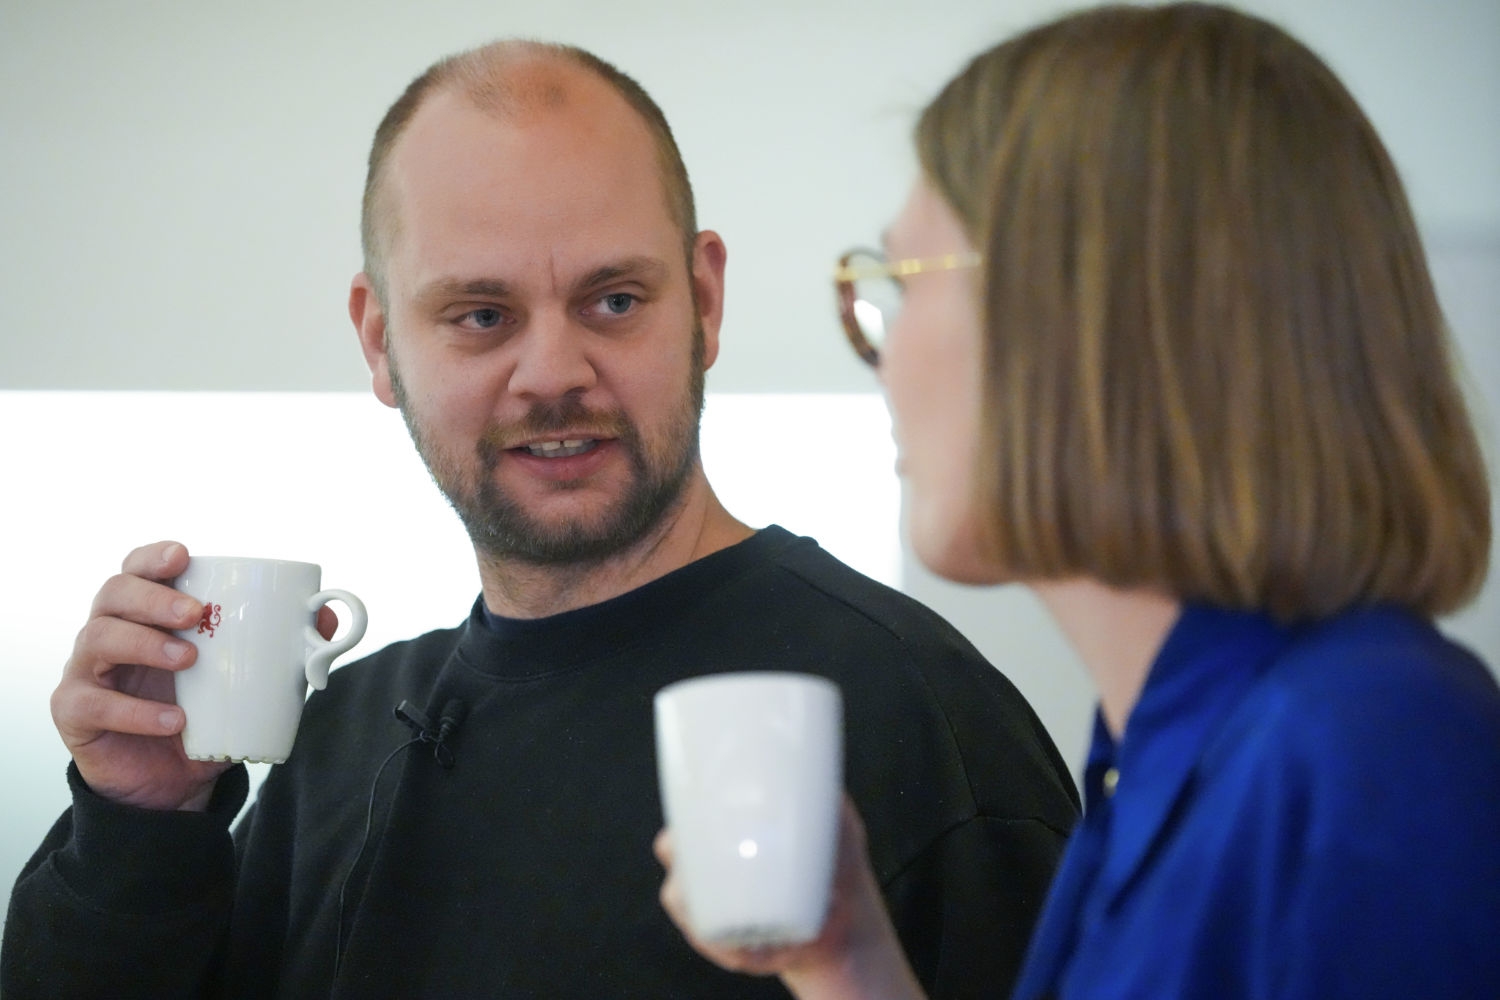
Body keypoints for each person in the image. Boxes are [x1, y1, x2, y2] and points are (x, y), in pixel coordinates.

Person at [0, 39, 1081, 1000]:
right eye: (482, 315)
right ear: (380, 343)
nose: (554, 372)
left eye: (614, 300)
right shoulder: (340, 738)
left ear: (705, 302)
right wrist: (136, 823)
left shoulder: (916, 718)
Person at [656, 3, 1500, 998]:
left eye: (902, 283)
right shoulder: (1167, 762)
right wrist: (848, 958)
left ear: (1079, 315)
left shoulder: (1369, 759)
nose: (885, 354)